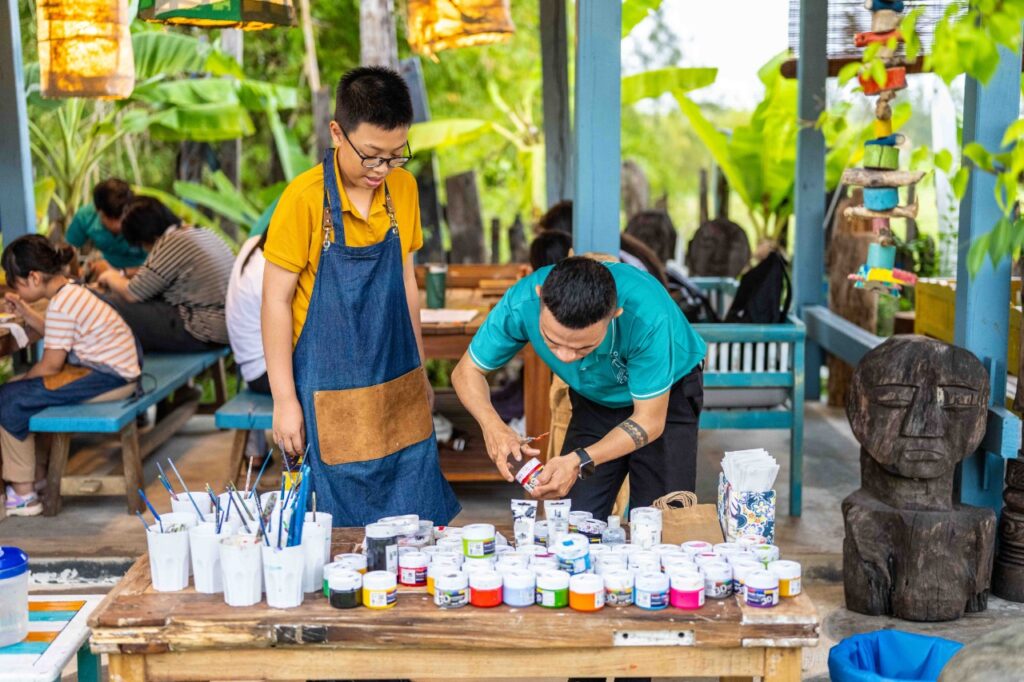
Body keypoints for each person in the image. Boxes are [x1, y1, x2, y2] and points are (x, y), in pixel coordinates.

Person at [262, 66, 459, 526]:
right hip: (326, 391)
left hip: (397, 378)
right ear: (337, 133)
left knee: (416, 521)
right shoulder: (304, 199)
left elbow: (407, 284)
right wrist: (283, 400)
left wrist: (421, 371)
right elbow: (274, 302)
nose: (382, 170)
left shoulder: (403, 190)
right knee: (334, 528)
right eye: (371, 156)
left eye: (395, 156)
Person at [451, 256, 707, 519]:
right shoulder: (522, 301)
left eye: (583, 347)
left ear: (615, 314)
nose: (565, 357)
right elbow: (466, 371)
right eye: (552, 340)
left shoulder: (648, 317)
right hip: (595, 398)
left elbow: (650, 420)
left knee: (662, 520)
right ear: (540, 298)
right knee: (572, 520)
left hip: (666, 395)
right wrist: (493, 427)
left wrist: (579, 460)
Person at [0, 236, 140, 515]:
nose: (11, 288)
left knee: (9, 400)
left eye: (14, 282)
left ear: (34, 277)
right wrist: (26, 312)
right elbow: (57, 332)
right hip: (117, 373)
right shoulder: (71, 291)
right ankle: (37, 476)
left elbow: (51, 366)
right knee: (21, 394)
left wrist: (22, 380)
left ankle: (24, 495)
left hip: (107, 378)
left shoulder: (62, 305)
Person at [97, 196, 233, 353]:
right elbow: (154, 277)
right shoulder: (198, 232)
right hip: (224, 327)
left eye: (142, 245)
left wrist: (109, 275)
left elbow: (133, 293)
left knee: (106, 303)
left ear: (149, 237)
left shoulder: (172, 242)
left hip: (202, 329)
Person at [65, 179, 147, 277]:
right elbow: (67, 249)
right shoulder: (85, 216)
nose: (117, 225)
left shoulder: (145, 218)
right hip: (105, 275)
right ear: (97, 210)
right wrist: (76, 274)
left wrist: (119, 272)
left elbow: (161, 268)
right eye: (110, 218)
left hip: (144, 278)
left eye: (121, 217)